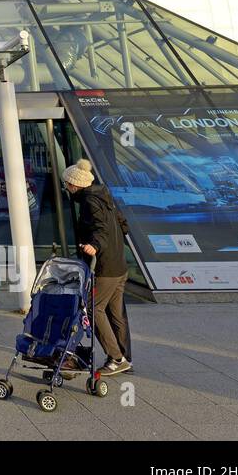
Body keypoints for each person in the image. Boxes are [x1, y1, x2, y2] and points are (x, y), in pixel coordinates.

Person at [63, 158, 132, 376]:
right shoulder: (103, 196)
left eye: (67, 185)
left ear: (74, 185)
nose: (66, 188)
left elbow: (100, 229)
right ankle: (124, 357)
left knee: (94, 310)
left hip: (105, 268)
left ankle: (116, 358)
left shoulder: (89, 202)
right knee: (115, 312)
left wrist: (95, 245)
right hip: (119, 264)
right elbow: (122, 224)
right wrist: (113, 242)